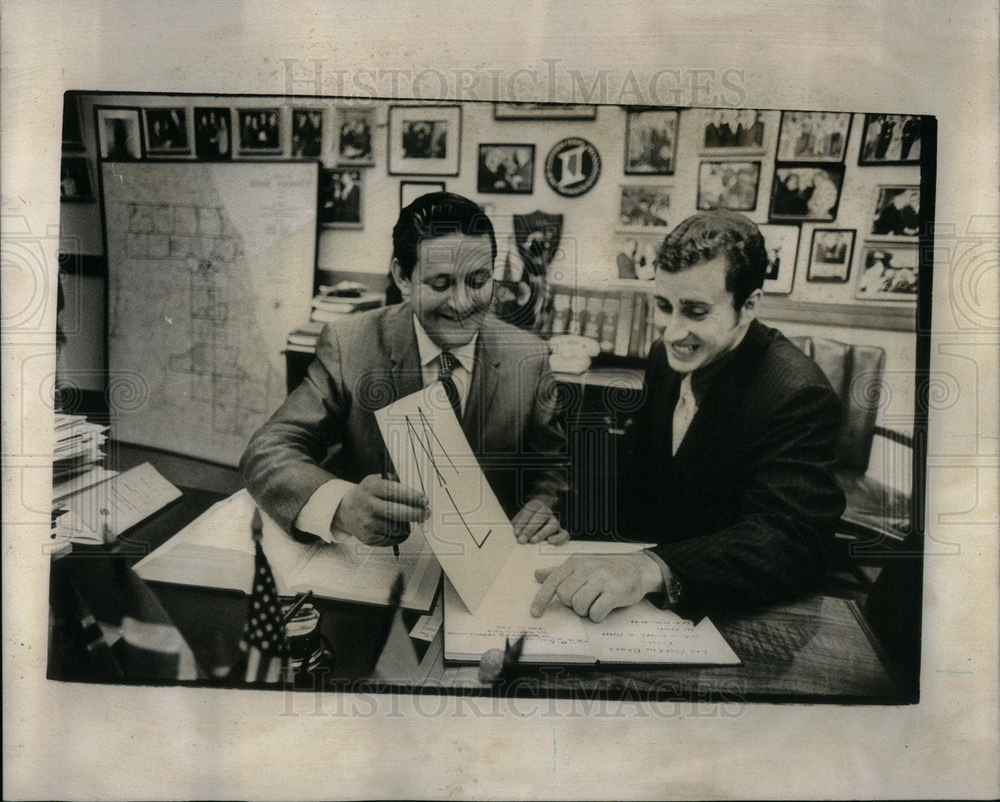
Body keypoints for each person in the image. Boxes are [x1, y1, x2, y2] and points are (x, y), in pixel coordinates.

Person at [531, 210, 844, 622]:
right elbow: (638, 466)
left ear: (748, 305)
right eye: (663, 305)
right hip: (658, 606)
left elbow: (788, 539)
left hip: (746, 610)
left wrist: (649, 568)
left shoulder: (798, 392)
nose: (672, 331)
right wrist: (568, 517)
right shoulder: (666, 357)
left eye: (696, 312)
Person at [241, 192, 568, 550]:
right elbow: (269, 449)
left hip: (487, 565)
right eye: (440, 284)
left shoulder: (530, 357)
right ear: (402, 277)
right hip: (380, 563)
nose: (462, 304)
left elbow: (551, 469)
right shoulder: (348, 344)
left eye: (478, 282)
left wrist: (542, 506)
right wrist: (342, 505)